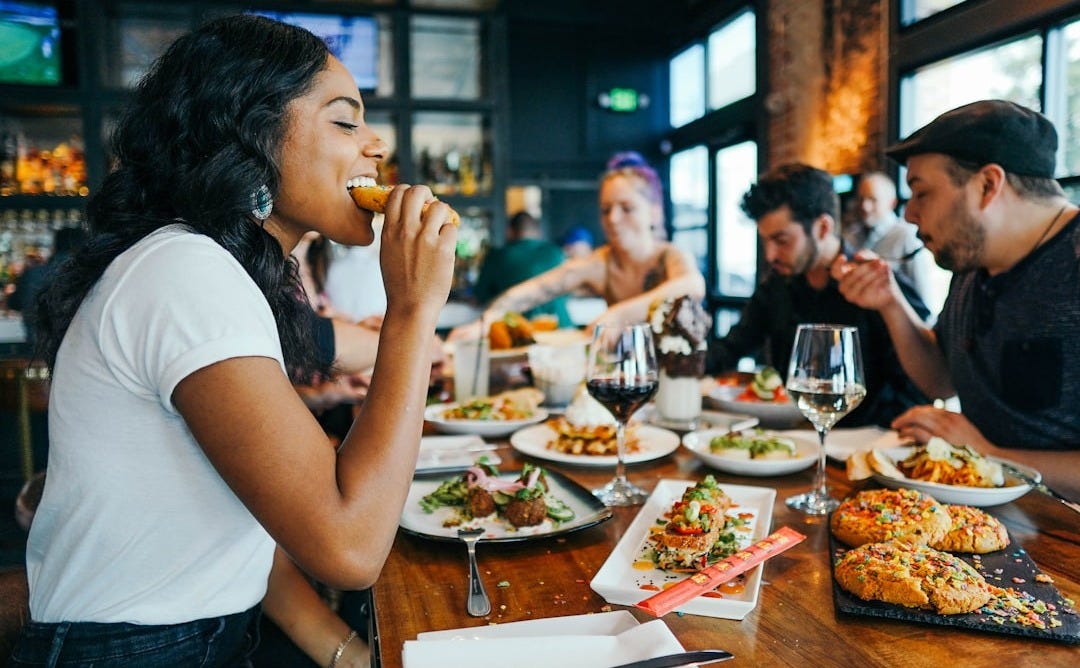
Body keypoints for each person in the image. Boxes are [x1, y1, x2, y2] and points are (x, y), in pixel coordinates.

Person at [12, 14, 456, 667]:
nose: (376, 143)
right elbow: (351, 547)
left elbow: (247, 522)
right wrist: (412, 313)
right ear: (250, 137)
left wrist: (348, 655)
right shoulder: (185, 272)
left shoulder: (210, 269)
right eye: (344, 120)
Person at [834, 99, 1080, 500]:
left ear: (987, 185)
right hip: (987, 515)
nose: (910, 214)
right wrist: (890, 302)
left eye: (921, 193)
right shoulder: (973, 264)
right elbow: (941, 377)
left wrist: (989, 454)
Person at [706, 162, 930, 428]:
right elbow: (730, 348)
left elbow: (920, 387)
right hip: (793, 441)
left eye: (782, 240)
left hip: (864, 448)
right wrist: (678, 359)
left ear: (823, 228)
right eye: (765, 241)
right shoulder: (777, 287)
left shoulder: (876, 285)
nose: (770, 255)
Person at [450, 151, 705, 338]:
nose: (613, 219)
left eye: (627, 208)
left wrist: (617, 315)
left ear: (655, 213)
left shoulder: (670, 256)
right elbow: (534, 290)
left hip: (680, 384)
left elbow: (691, 285)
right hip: (627, 380)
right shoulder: (601, 262)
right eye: (606, 210)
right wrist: (484, 323)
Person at [844, 171, 948, 317]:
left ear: (891, 203)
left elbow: (923, 299)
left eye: (872, 200)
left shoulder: (907, 237)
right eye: (861, 199)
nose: (865, 206)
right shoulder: (851, 236)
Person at [473, 210, 571, 326]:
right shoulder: (556, 252)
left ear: (509, 231)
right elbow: (567, 292)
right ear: (537, 231)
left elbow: (480, 296)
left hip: (519, 331)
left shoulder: (497, 256)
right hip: (562, 328)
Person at [6, 227, 87, 348]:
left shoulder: (32, 274)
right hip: (78, 352)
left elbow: (13, 304)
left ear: (55, 247)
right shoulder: (88, 276)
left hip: (36, 351)